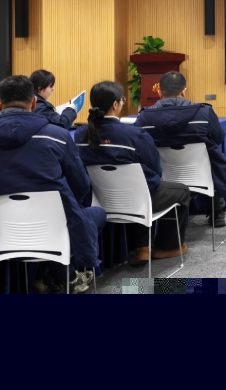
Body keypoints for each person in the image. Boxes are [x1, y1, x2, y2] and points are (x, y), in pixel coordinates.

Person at [0, 75, 106, 293]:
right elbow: (81, 185)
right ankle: (65, 275)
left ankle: (58, 276)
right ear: (34, 103)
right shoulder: (58, 135)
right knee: (96, 214)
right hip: (55, 228)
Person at [75, 81, 191, 262]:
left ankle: (142, 247)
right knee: (180, 191)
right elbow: (155, 167)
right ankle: (168, 246)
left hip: (101, 200)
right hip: (137, 198)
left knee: (140, 187)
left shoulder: (80, 135)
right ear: (115, 105)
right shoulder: (135, 134)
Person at [134, 71, 226, 227]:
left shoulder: (144, 117)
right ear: (184, 91)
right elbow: (219, 138)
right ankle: (217, 209)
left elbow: (139, 146)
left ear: (159, 93)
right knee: (213, 155)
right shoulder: (204, 112)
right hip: (201, 175)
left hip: (163, 176)